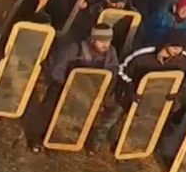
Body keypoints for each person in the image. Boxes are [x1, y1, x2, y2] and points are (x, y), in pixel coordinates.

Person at [29, 24, 121, 152]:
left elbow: (113, 71)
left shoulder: (111, 52)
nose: (105, 44)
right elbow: (57, 71)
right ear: (93, 39)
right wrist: (69, 88)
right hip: (64, 86)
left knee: (112, 108)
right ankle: (37, 139)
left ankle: (90, 141)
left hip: (91, 90)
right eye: (101, 41)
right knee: (49, 108)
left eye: (108, 41)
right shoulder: (74, 49)